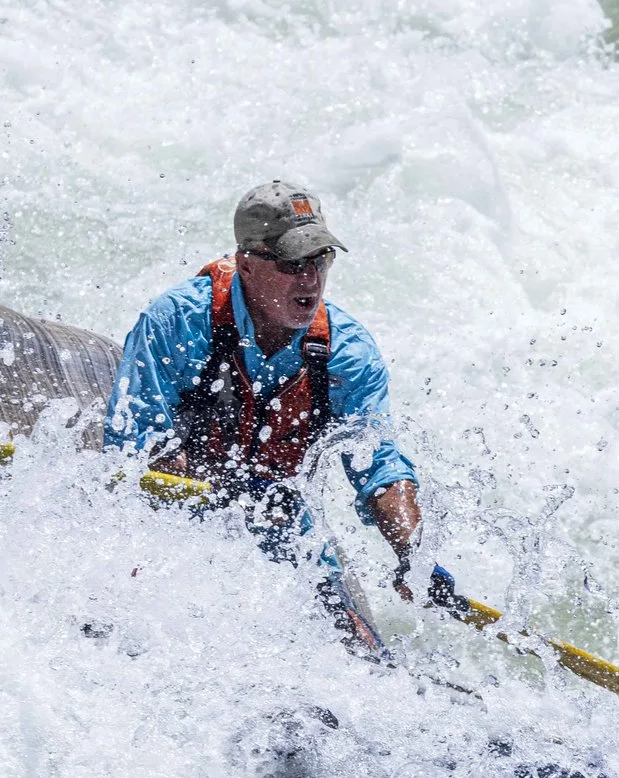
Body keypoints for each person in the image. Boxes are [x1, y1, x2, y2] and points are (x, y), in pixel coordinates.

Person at [107, 182, 424, 619]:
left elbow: (381, 469)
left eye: (320, 260)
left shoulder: (348, 355)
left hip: (283, 530)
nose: (310, 280)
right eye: (293, 263)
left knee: (365, 654)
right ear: (246, 264)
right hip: (170, 519)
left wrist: (414, 554)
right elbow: (136, 446)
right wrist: (231, 498)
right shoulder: (177, 322)